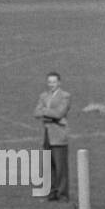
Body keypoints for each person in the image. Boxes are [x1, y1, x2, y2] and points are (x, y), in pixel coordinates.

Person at [34, 71, 71, 202]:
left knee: (61, 167)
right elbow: (36, 112)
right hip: (47, 136)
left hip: (59, 136)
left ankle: (62, 194)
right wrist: (50, 114)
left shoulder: (65, 96)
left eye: (54, 82)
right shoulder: (43, 96)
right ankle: (52, 193)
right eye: (49, 82)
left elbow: (60, 113)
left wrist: (45, 112)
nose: (51, 85)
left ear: (59, 83)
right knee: (49, 166)